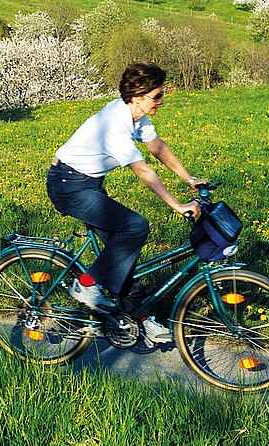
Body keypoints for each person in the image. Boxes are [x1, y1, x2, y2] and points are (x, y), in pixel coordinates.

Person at [46, 61, 200, 343]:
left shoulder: (136, 118)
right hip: (68, 186)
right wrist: (178, 205)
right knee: (135, 227)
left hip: (87, 184)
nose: (161, 101)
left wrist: (190, 180)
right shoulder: (114, 124)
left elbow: (158, 148)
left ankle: (138, 315)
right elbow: (142, 170)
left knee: (121, 253)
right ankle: (86, 284)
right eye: (157, 96)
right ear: (138, 95)